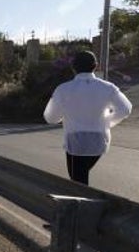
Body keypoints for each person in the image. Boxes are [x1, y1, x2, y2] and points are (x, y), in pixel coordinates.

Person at [43, 51, 132, 185]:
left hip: (76, 143)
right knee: (81, 179)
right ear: (95, 66)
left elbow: (50, 117)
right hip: (99, 141)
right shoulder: (108, 87)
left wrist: (64, 115)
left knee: (78, 183)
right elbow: (126, 109)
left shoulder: (63, 89)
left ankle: (84, 204)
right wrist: (107, 121)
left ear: (73, 67)